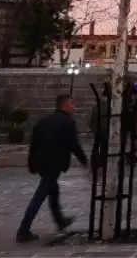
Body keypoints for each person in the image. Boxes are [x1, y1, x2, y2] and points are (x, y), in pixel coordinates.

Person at [17, 94, 88, 242]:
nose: (73, 107)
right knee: (40, 196)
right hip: (54, 163)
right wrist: (84, 160)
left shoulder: (43, 121)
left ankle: (60, 220)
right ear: (63, 105)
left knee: (53, 191)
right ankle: (23, 229)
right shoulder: (67, 122)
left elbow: (33, 143)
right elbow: (73, 143)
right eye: (71, 104)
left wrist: (31, 162)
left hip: (41, 163)